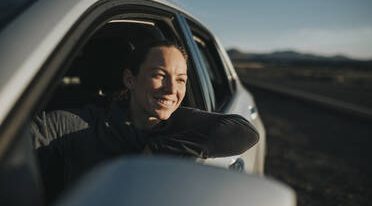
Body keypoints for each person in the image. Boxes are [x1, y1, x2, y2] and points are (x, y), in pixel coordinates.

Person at [30, 39, 259, 203]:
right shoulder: (77, 123)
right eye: (159, 75)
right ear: (130, 79)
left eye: (180, 80)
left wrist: (158, 149)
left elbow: (245, 131)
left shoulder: (181, 120)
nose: (172, 90)